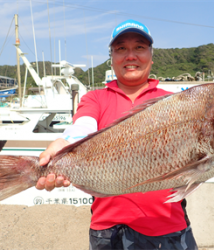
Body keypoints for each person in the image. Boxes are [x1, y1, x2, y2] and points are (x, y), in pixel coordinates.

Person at [36, 19, 198, 250]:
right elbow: (83, 126)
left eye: (139, 48)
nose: (130, 55)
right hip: (107, 230)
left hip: (168, 228)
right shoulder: (94, 98)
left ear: (151, 56)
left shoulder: (174, 102)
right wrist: (65, 145)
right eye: (121, 48)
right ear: (111, 57)